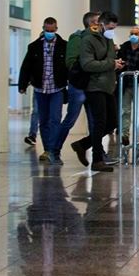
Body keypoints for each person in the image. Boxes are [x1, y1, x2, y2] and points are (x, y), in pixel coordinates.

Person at [71, 11, 124, 172]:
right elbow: (87, 64)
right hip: (94, 87)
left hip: (108, 86)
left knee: (113, 123)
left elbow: (108, 60)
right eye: (110, 27)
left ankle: (82, 144)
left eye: (114, 27)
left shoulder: (108, 39)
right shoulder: (88, 40)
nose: (112, 30)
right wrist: (111, 64)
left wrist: (115, 63)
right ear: (101, 24)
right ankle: (97, 160)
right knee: (100, 122)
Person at [50, 12, 100, 163]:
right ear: (91, 23)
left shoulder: (100, 39)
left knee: (94, 121)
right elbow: (71, 62)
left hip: (93, 85)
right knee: (70, 119)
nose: (101, 24)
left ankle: (98, 154)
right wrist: (88, 64)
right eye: (99, 21)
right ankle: (54, 151)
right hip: (78, 85)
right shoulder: (77, 38)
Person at [18, 17, 68, 165]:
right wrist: (22, 84)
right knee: (43, 120)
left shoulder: (64, 46)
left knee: (55, 120)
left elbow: (69, 66)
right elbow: (26, 67)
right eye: (47, 30)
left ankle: (53, 150)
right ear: (43, 28)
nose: (49, 33)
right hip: (40, 88)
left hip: (57, 88)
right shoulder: (34, 47)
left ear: (56, 29)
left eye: (52, 31)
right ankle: (48, 150)